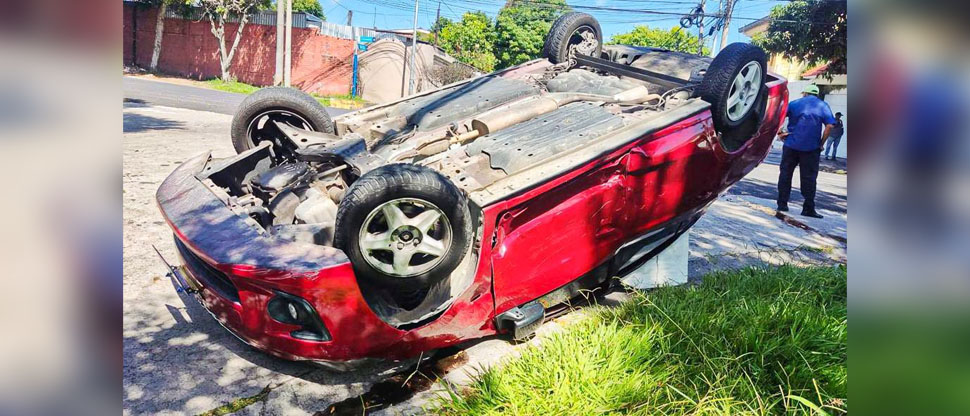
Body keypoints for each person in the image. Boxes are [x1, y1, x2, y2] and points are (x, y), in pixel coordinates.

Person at [776, 84, 836, 219]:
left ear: (805, 93)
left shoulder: (794, 103)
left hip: (791, 145)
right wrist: (821, 144)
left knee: (785, 174)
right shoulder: (823, 106)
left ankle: (782, 204)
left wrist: (780, 132)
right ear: (816, 94)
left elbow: (779, 116)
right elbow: (829, 126)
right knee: (809, 178)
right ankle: (808, 208)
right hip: (811, 148)